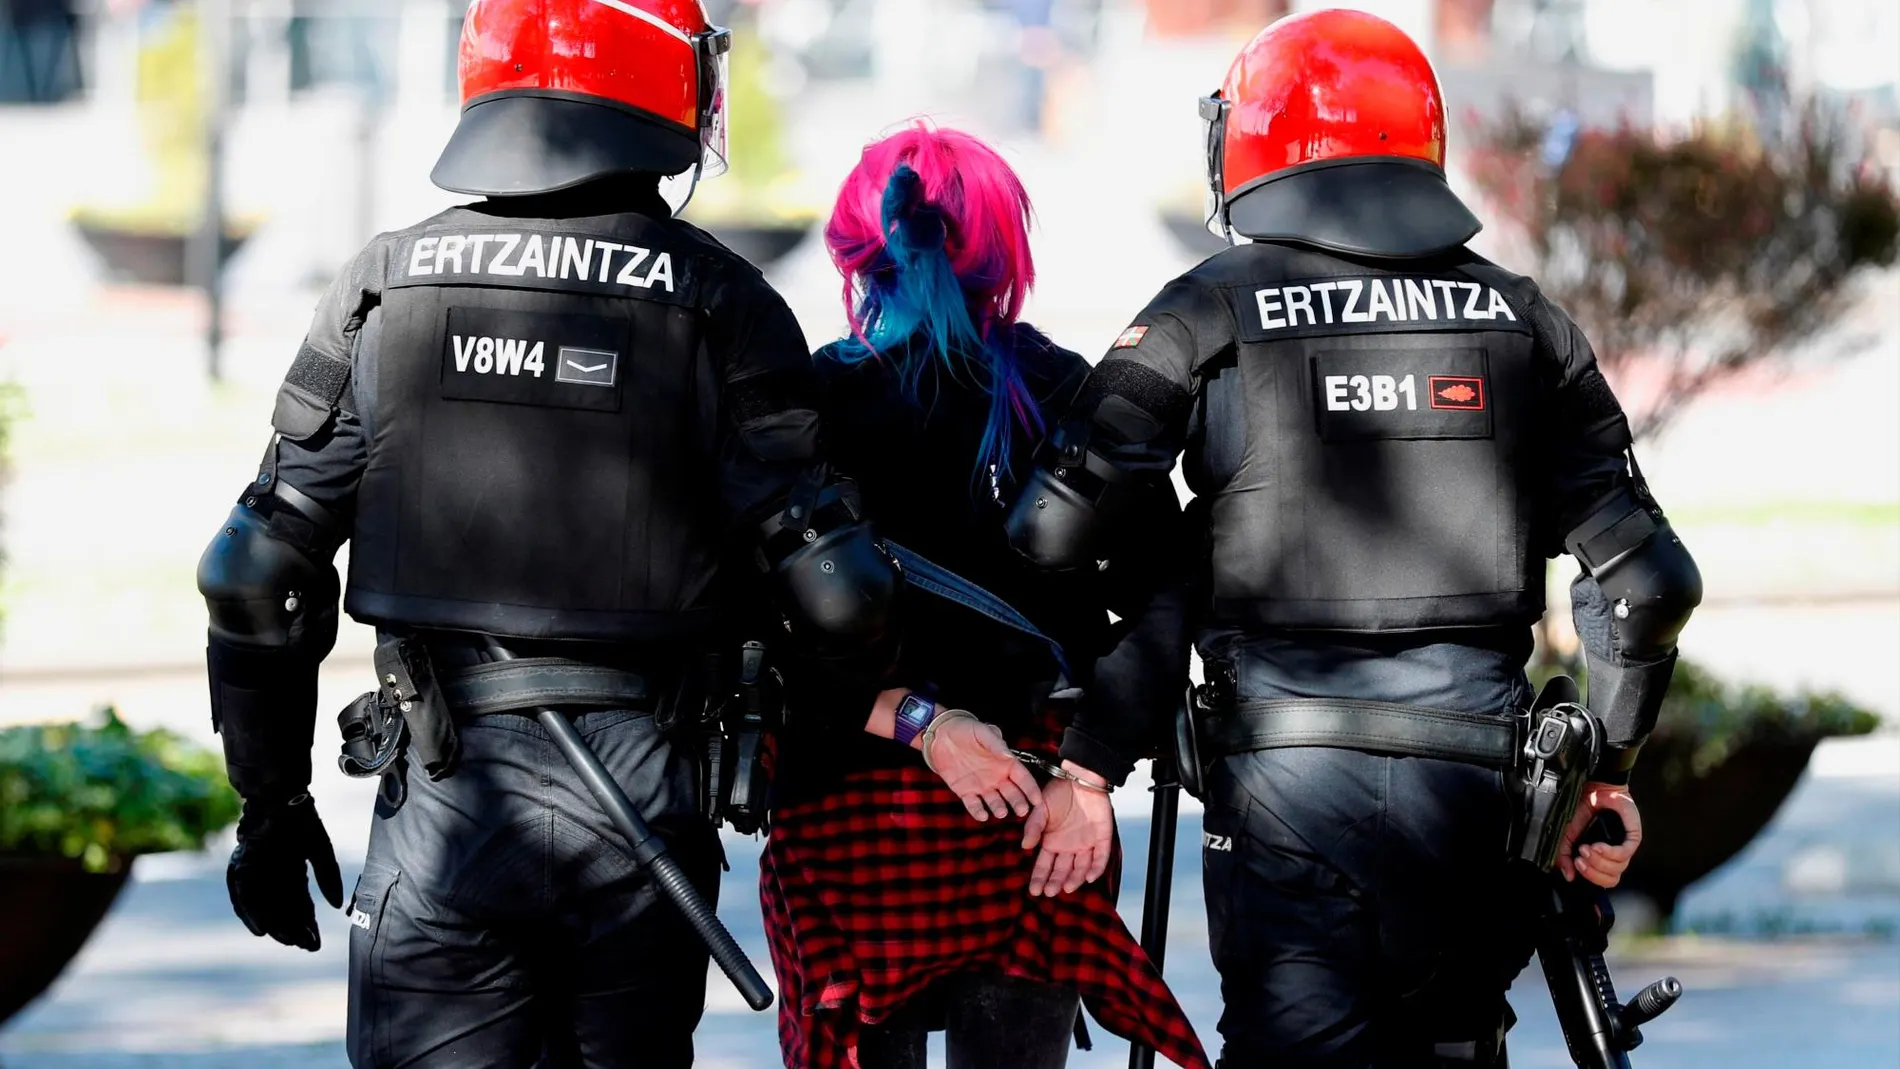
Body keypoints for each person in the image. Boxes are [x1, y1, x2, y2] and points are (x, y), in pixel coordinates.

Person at [193, 2, 898, 1066]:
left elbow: (251, 571)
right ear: (678, 87)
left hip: (443, 791)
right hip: (648, 809)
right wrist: (795, 763)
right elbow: (840, 593)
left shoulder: (384, 283)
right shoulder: (720, 299)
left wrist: (271, 798)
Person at [1005, 11, 1703, 1068]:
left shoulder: (1207, 309)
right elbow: (1646, 583)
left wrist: (1176, 576)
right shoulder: (1523, 320)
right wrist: (1599, 771)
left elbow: (1055, 527)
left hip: (1288, 795)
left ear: (1248, 141)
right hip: (1481, 804)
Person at [757, 122, 1210, 1069]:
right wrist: (1088, 777)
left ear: (854, 248)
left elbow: (745, 625)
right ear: (1006, 254)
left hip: (852, 826)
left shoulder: (806, 406)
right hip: (1033, 819)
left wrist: (920, 718)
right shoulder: (1066, 393)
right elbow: (1164, 602)